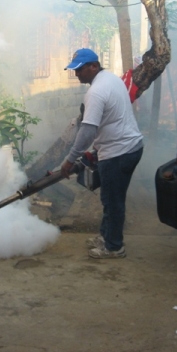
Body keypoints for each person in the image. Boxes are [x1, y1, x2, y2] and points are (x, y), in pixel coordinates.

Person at [60, 48, 144, 259]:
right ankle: (107, 236)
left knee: (112, 200)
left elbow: (88, 130)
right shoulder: (110, 79)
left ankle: (114, 247)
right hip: (127, 146)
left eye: (80, 69)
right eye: (74, 70)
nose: (76, 74)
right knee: (110, 197)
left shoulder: (95, 92)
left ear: (94, 66)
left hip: (118, 152)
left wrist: (69, 160)